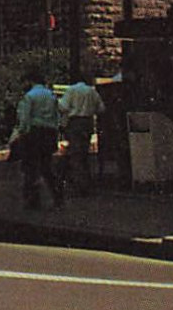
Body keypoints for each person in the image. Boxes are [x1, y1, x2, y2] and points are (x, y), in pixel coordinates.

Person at [16, 69, 65, 208]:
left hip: (34, 133)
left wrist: (21, 133)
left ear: (30, 81)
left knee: (31, 167)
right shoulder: (51, 95)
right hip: (50, 132)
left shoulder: (29, 96)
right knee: (47, 166)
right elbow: (58, 114)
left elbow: (24, 119)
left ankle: (33, 199)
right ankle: (57, 195)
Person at [59, 72, 106, 195]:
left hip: (75, 122)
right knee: (84, 152)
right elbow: (101, 108)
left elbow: (63, 107)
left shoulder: (71, 90)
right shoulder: (92, 91)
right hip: (88, 122)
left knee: (76, 153)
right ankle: (86, 181)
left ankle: (79, 184)